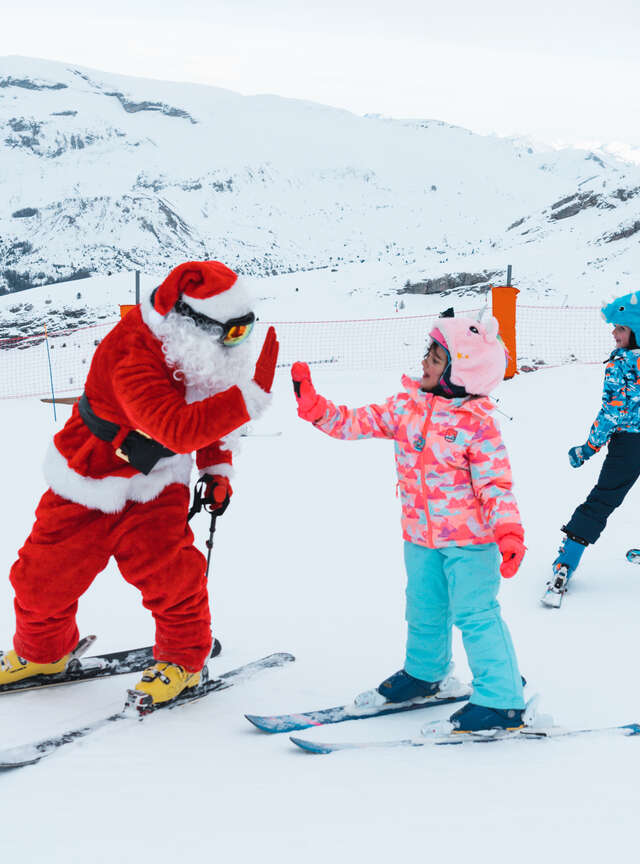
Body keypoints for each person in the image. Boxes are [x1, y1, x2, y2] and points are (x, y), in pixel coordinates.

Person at [0, 260, 279, 706]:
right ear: (188, 321)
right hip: (87, 476)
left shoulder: (196, 350)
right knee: (41, 578)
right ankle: (42, 654)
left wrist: (216, 468)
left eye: (242, 332)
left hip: (156, 481)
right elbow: (176, 426)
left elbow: (209, 402)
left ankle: (184, 661)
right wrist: (249, 398)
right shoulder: (132, 350)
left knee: (172, 577)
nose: (235, 345)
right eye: (229, 333)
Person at [291, 310, 528, 734]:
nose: (424, 363)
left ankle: (501, 699)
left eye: (435, 358)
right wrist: (316, 409)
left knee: (476, 615)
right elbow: (353, 422)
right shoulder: (406, 406)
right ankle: (425, 673)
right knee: (424, 608)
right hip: (420, 537)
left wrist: (508, 532)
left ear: (462, 372)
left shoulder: (477, 425)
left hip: (471, 543)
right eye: (427, 354)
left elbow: (496, 486)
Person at [544, 290, 640, 601]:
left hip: (629, 444)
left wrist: (588, 448)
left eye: (621, 328)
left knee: (603, 499)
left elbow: (611, 413)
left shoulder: (621, 364)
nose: (614, 333)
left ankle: (567, 559)